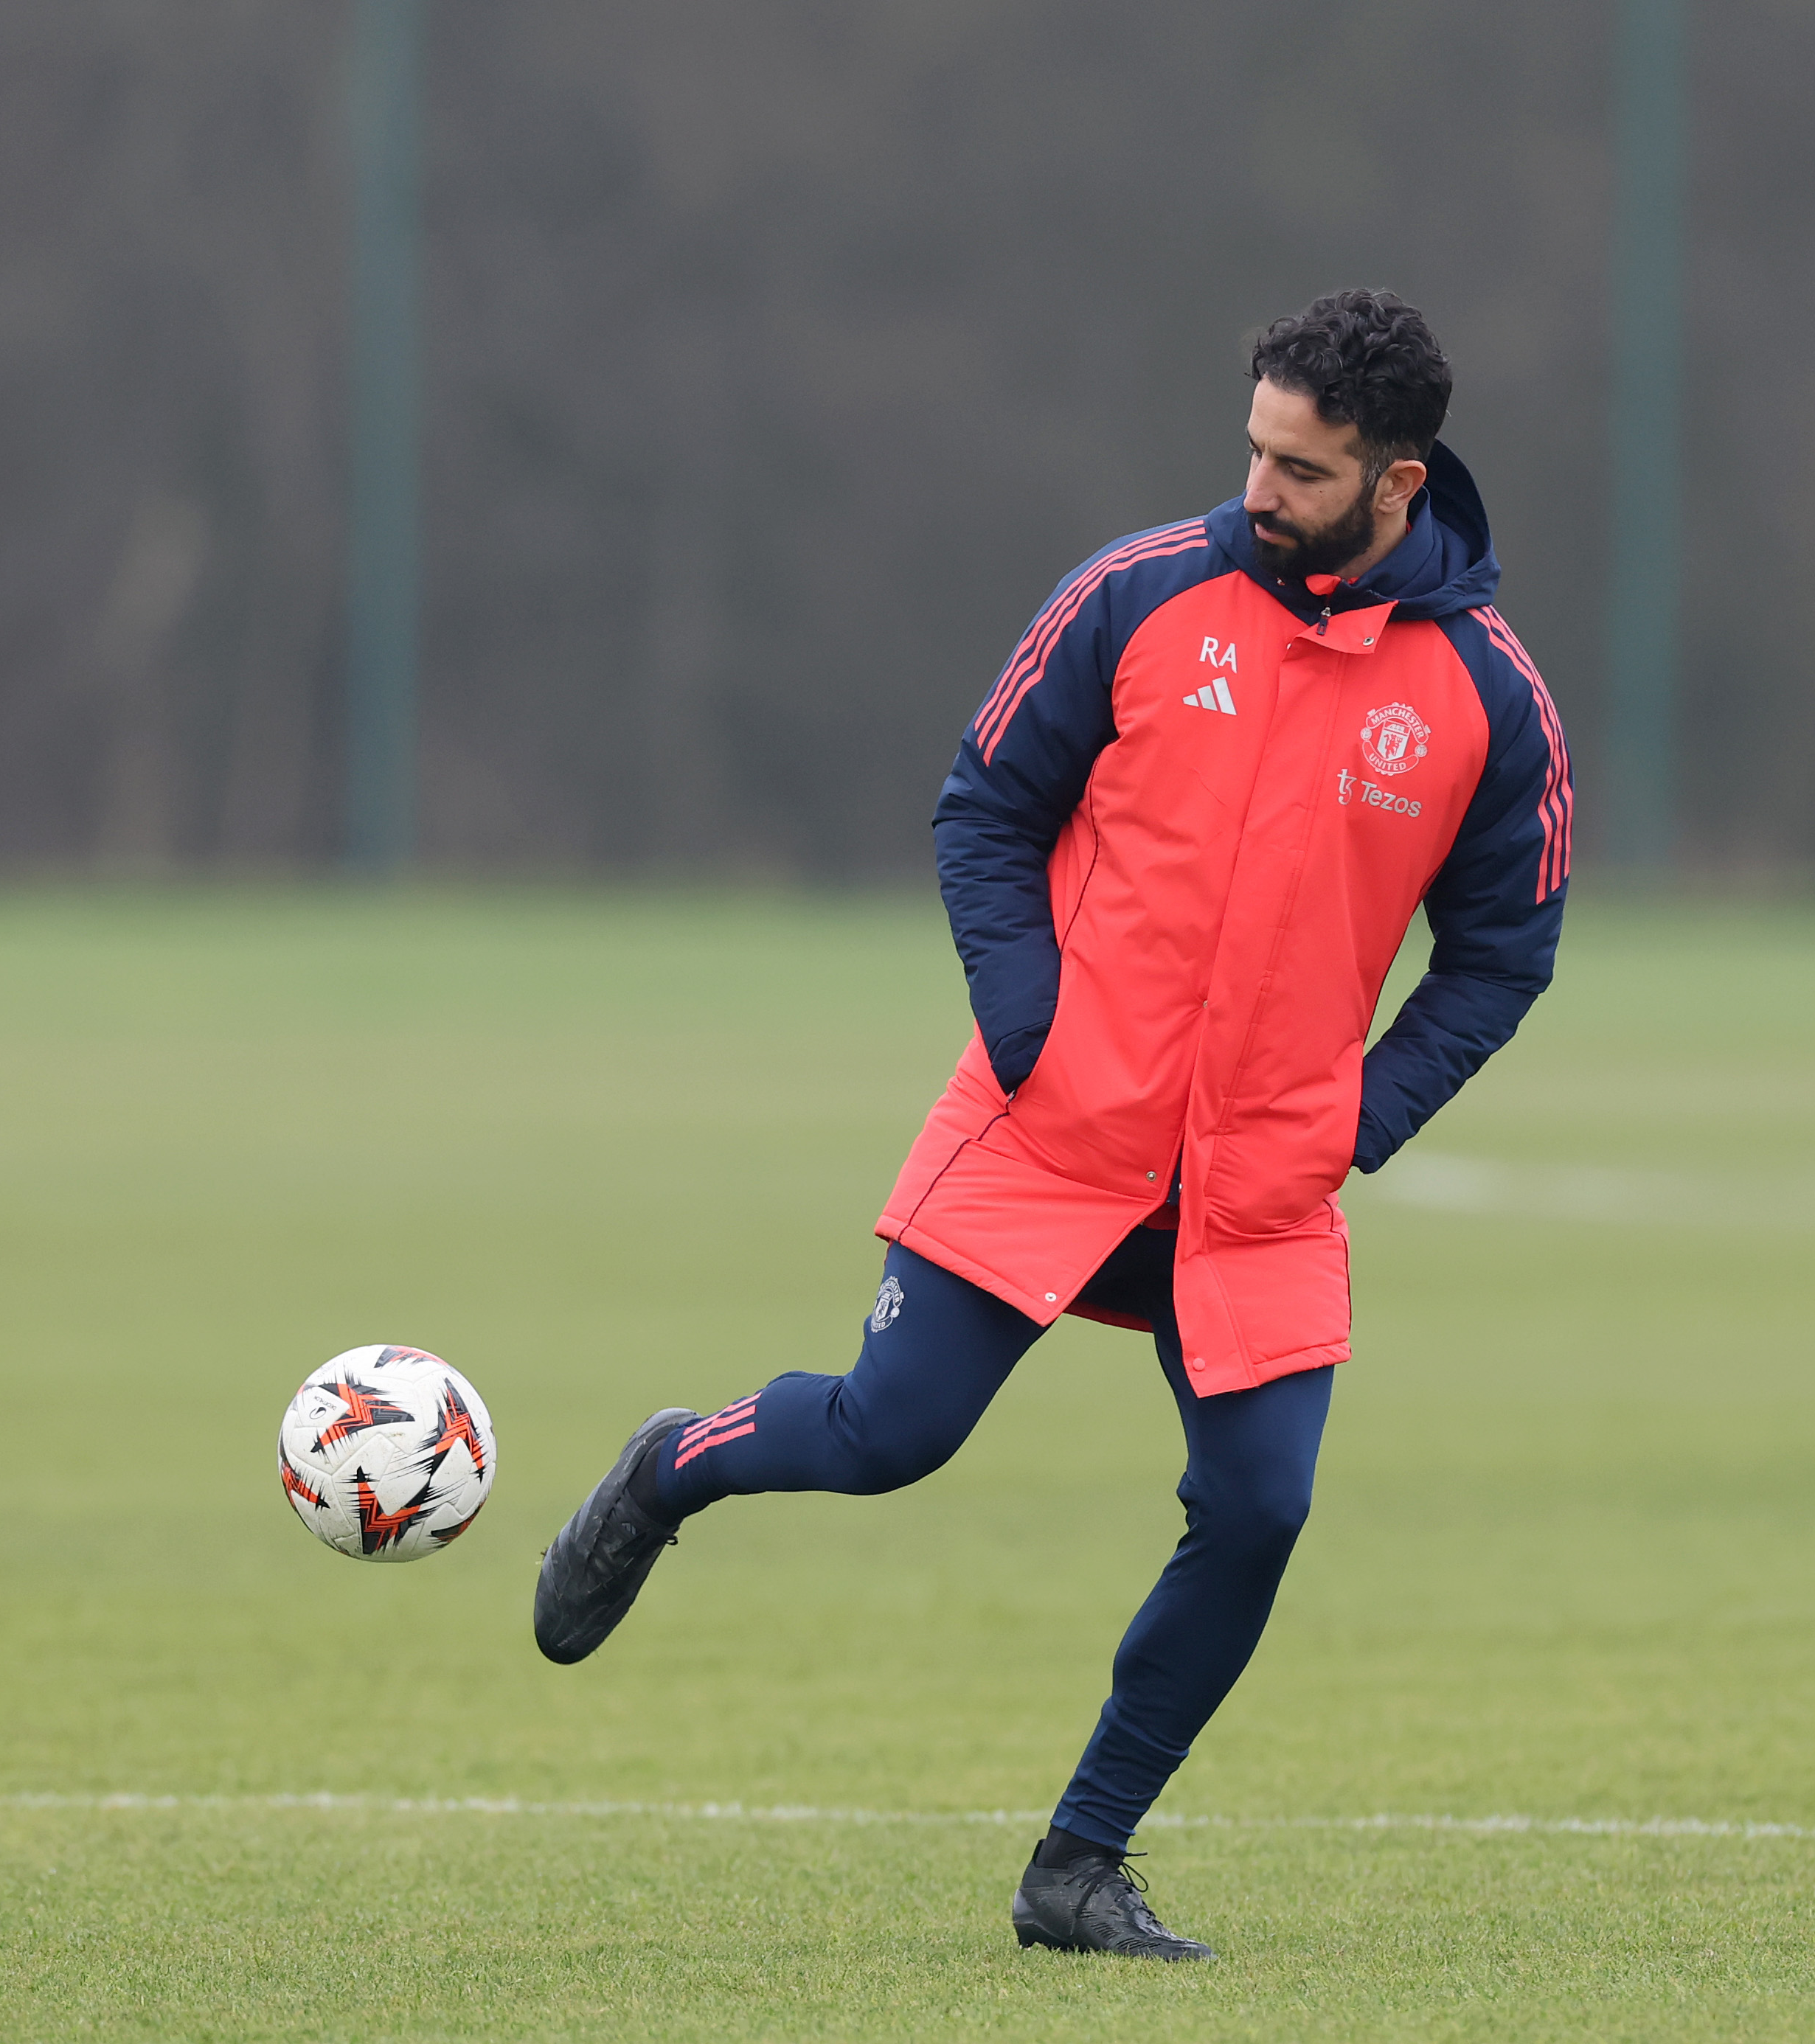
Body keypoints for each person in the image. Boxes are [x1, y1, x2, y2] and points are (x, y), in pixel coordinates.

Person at [534, 289, 1572, 1961]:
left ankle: (1076, 1868)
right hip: (1054, 1128)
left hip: (1254, 1187)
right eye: (1250, 448)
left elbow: (1505, 948)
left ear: (1397, 484)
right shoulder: (1135, 595)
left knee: (1258, 1515)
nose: (1257, 489)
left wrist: (1359, 1115)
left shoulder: (1482, 694)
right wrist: (1030, 1024)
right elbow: (986, 808)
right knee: (889, 1437)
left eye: (1300, 471)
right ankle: (671, 1466)